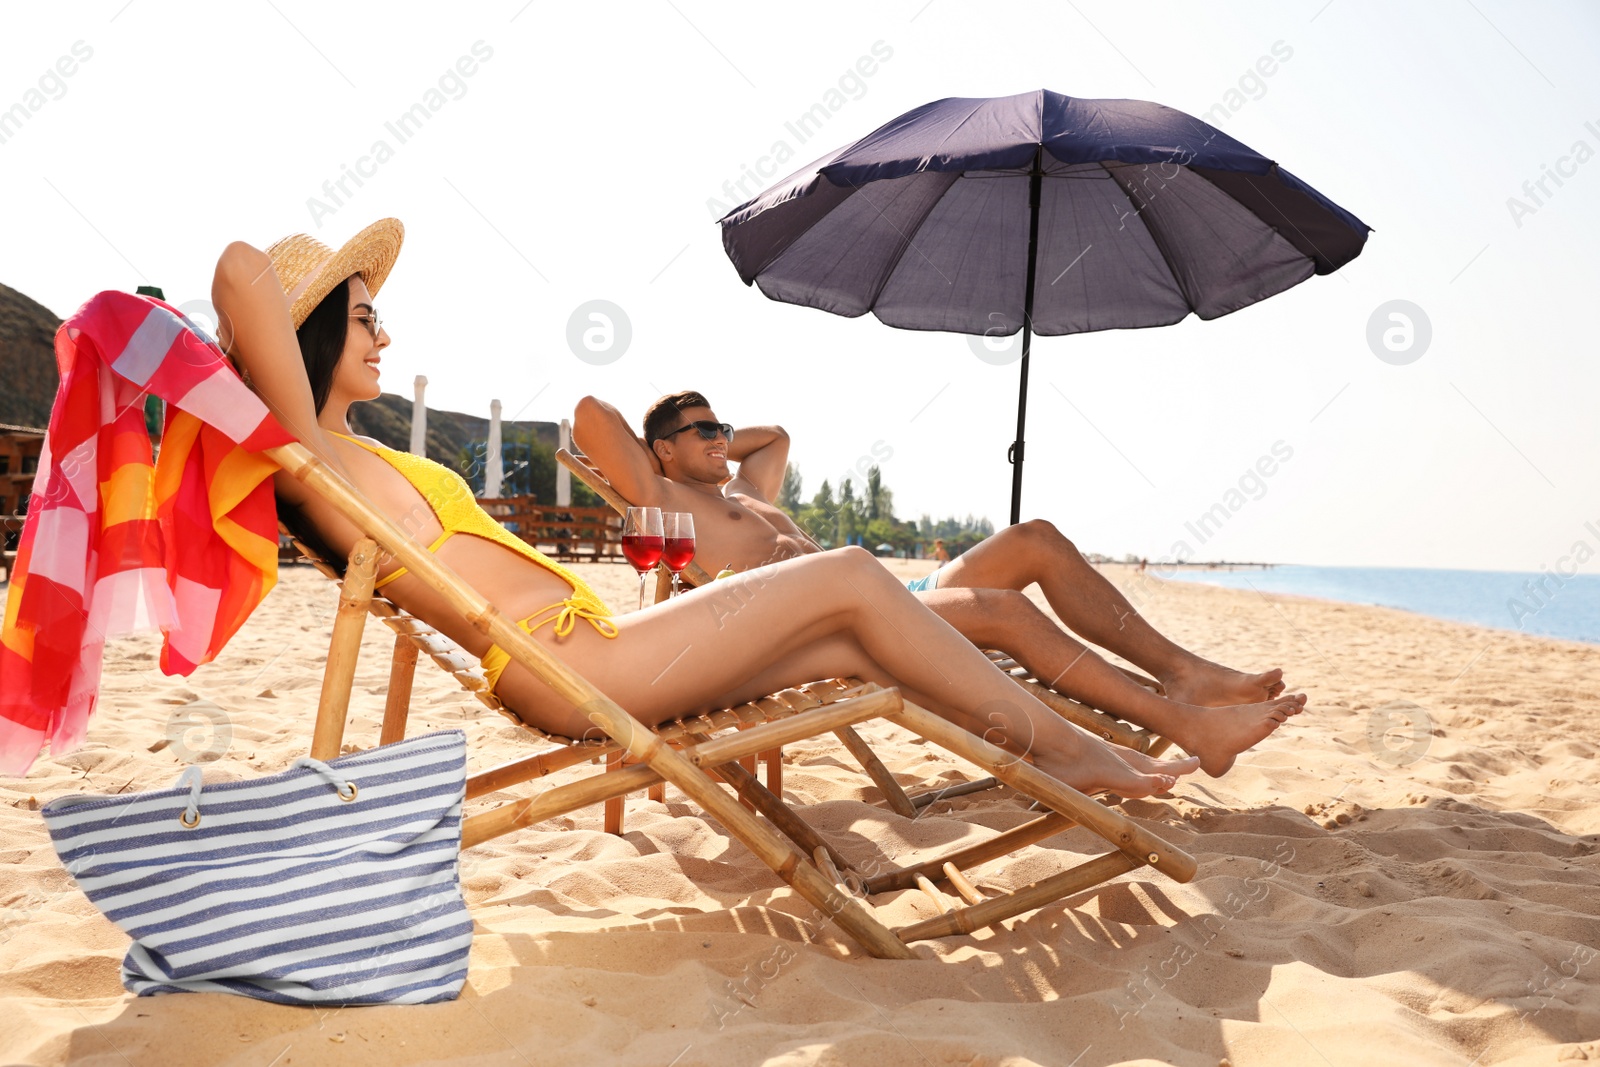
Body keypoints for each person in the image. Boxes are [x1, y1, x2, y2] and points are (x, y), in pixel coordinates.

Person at [211, 218, 1200, 798]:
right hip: (573, 661)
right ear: (299, 342)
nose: (385, 333)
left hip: (582, 647)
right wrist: (272, 317)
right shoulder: (308, 455)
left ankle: (1110, 742)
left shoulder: (349, 449)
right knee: (854, 572)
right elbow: (238, 269)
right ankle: (1079, 751)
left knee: (859, 634)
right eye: (364, 316)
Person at [572, 391, 1307, 777]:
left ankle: (1187, 675)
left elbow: (778, 437)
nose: (721, 438)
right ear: (662, 447)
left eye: (721, 427)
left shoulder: (745, 491)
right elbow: (590, 416)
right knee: (1005, 610)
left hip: (890, 596)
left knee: (1036, 538)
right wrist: (658, 455)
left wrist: (714, 433)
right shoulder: (665, 500)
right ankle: (1186, 726)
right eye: (703, 431)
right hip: (847, 622)